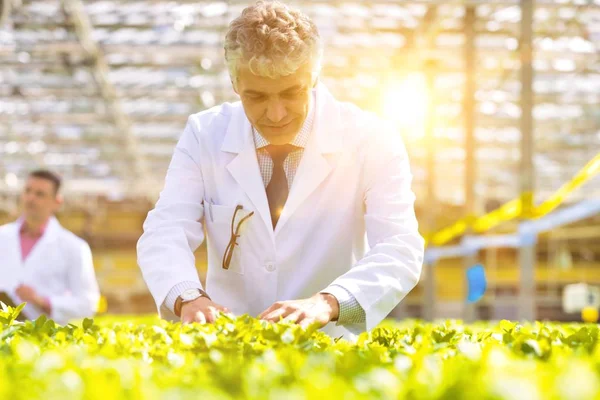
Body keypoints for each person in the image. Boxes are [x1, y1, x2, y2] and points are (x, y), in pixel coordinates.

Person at [137, 0, 424, 338]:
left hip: (330, 345)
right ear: (234, 85)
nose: (275, 114)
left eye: (291, 93)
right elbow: (165, 228)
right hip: (229, 346)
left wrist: (328, 302)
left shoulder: (371, 138)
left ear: (314, 78)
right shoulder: (204, 135)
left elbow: (399, 246)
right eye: (256, 97)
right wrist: (188, 296)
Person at [0, 170, 100, 324]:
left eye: (40, 194)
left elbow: (88, 304)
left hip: (44, 339)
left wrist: (42, 301)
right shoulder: (3, 236)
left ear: (57, 202)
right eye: (28, 191)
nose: (31, 198)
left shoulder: (74, 247)